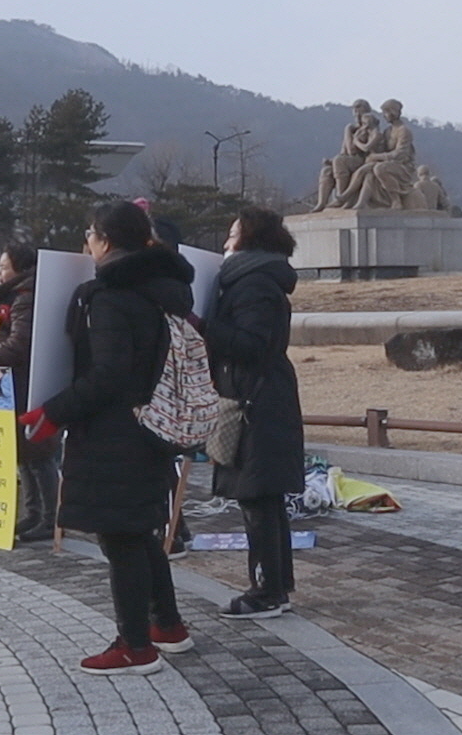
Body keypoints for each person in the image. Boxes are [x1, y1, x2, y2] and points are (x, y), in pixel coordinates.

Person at [20, 201, 194, 675]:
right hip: (153, 427)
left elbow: (110, 375)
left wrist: (54, 411)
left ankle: (135, 646)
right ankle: (168, 626)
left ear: (108, 241)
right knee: (140, 531)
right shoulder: (163, 290)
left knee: (120, 539)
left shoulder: (111, 296)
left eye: (91, 234)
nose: (87, 244)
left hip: (116, 434)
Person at [201, 207, 305, 618]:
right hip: (258, 397)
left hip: (257, 403)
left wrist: (201, 325)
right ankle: (276, 584)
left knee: (257, 494)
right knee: (263, 497)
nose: (225, 243)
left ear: (250, 240)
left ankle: (266, 591)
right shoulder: (252, 280)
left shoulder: (254, 284)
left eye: (232, 234)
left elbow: (252, 345)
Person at [0, 244, 54, 542]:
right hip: (8, 383)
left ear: (19, 270)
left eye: (4, 267)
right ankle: (32, 513)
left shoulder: (25, 299)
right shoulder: (7, 297)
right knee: (22, 453)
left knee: (37, 453)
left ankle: (48, 518)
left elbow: (20, 342)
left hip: (23, 382)